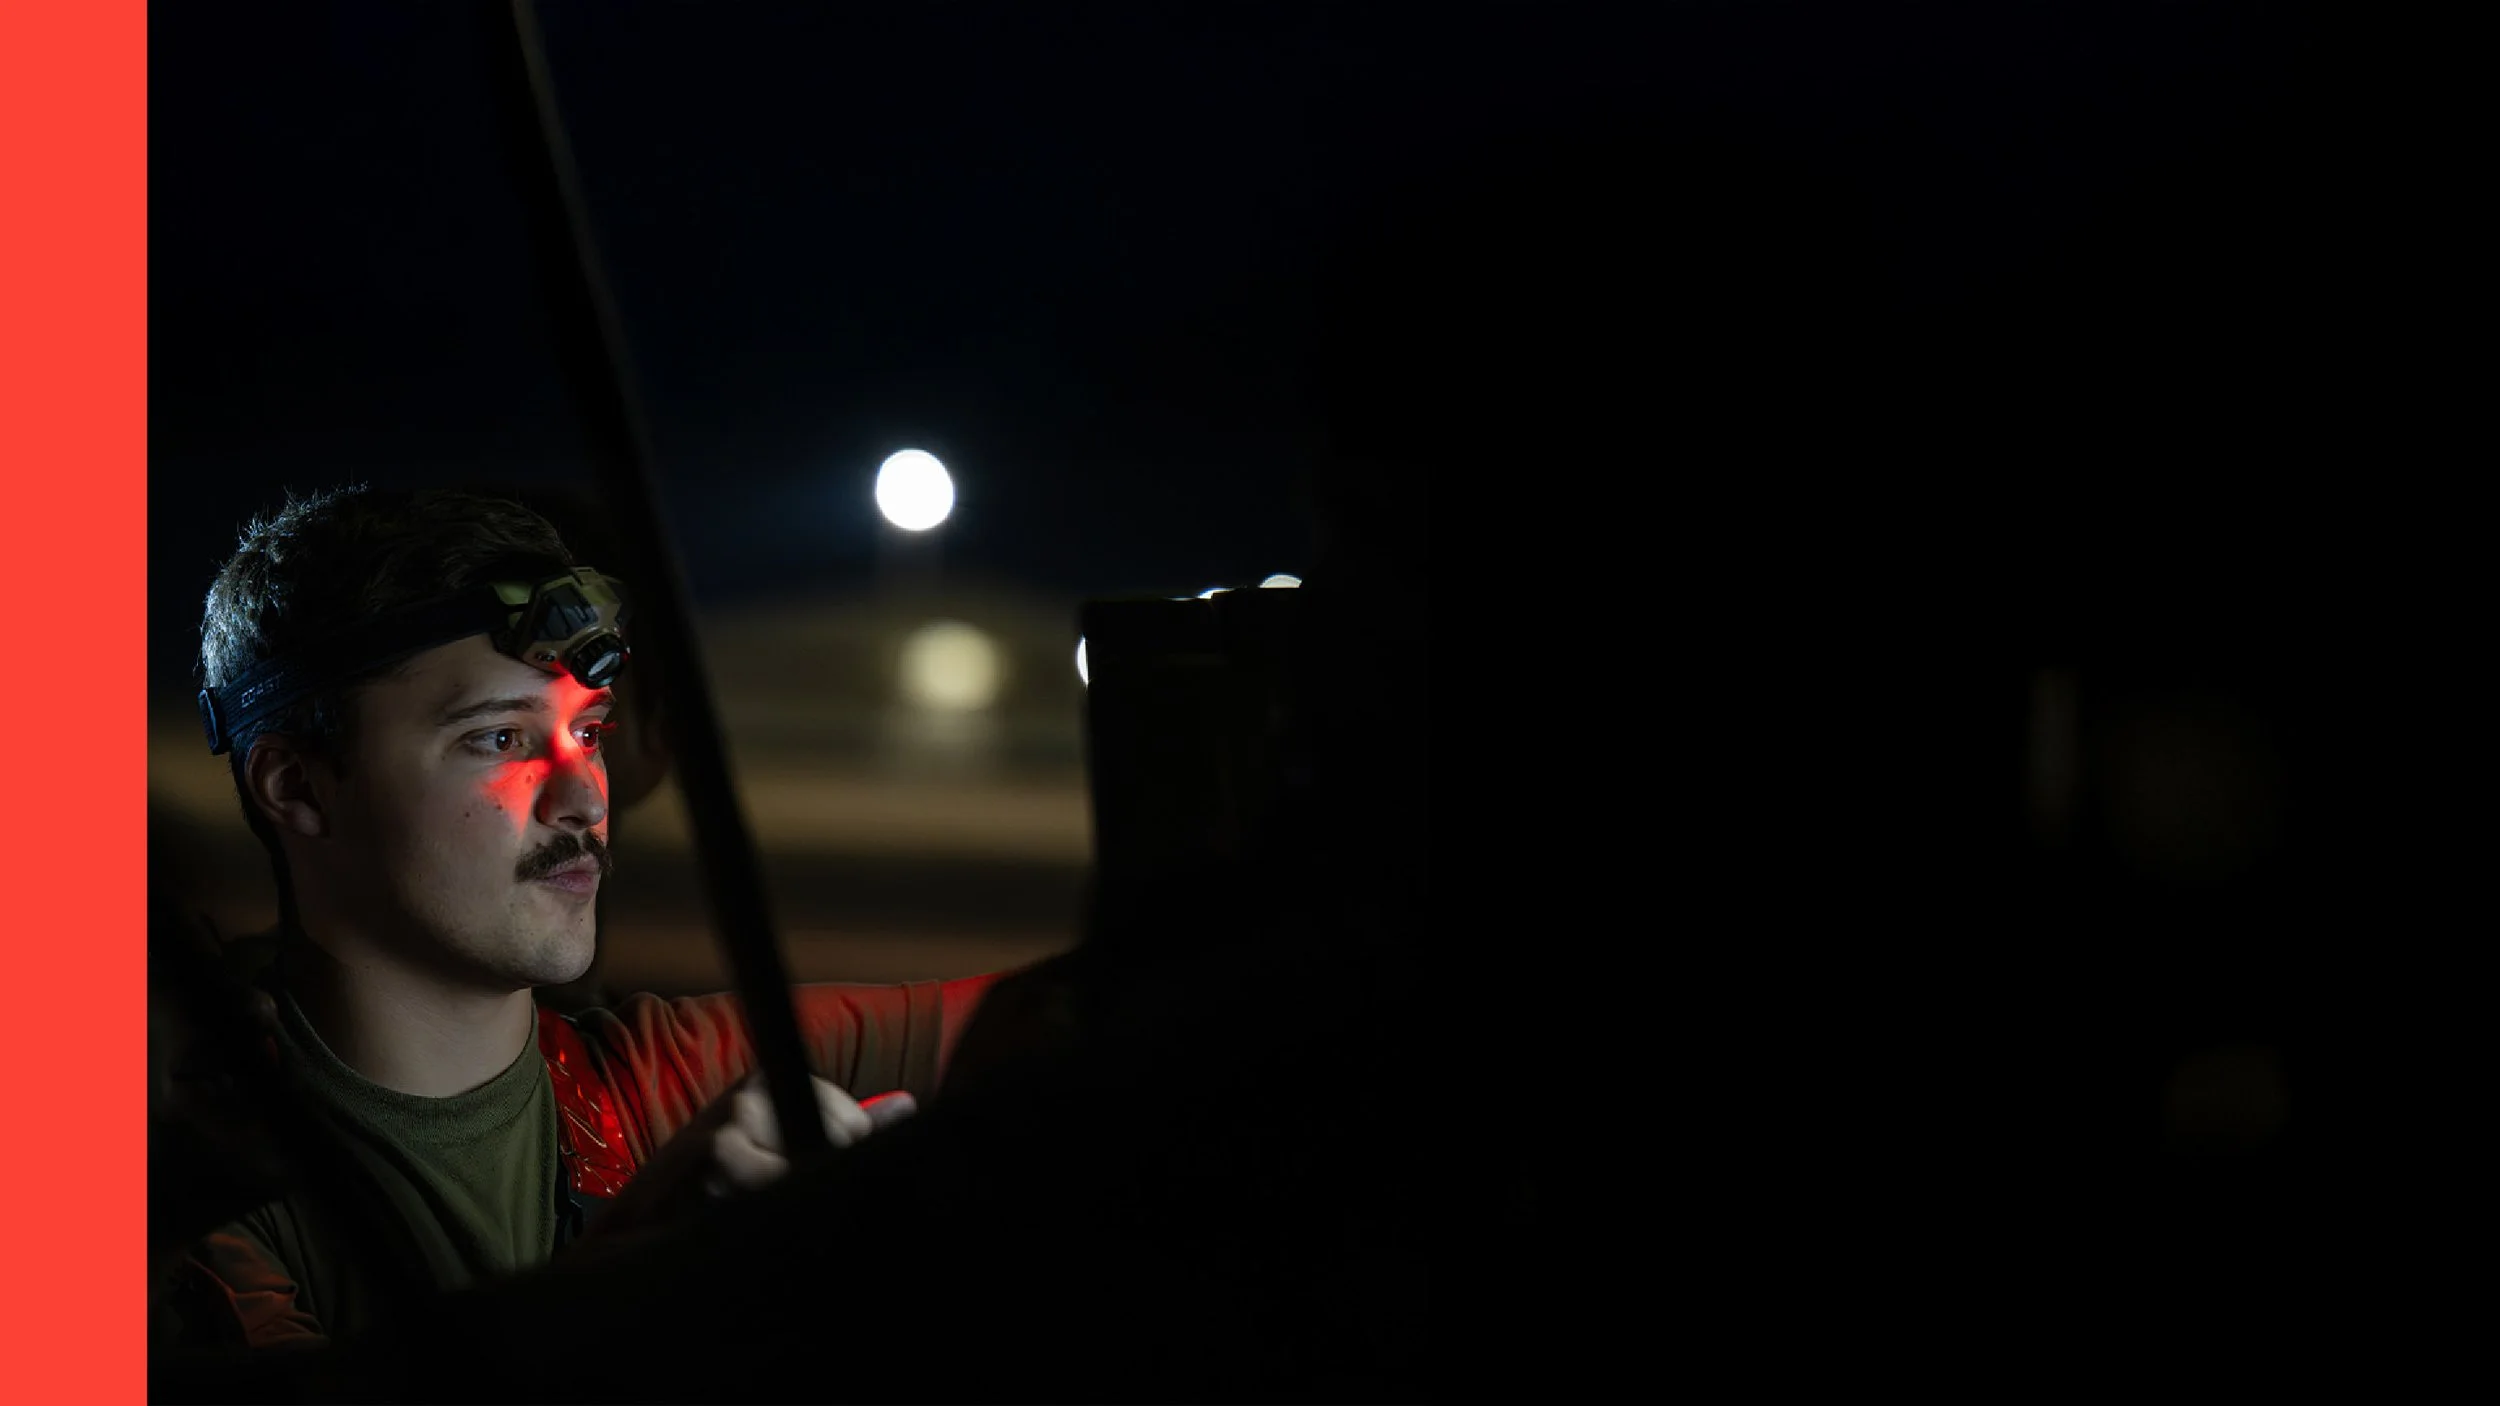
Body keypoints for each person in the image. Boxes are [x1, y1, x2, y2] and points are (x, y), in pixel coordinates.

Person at [155, 484, 1006, 1358]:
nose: (583, 796)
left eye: (589, 734)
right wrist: (642, 1275)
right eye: (499, 739)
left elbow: (1103, 1011)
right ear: (295, 786)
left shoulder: (670, 1080)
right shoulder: (193, 1177)